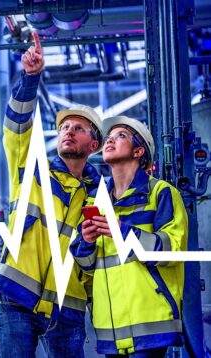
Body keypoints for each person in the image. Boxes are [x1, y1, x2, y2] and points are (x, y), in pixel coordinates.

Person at [0, 32, 104, 357]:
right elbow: (16, 128)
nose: (69, 132)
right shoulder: (32, 168)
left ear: (93, 146)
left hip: (68, 307)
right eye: (65, 127)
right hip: (17, 296)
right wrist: (30, 78)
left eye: (79, 129)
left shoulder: (97, 198)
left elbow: (97, 259)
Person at [70, 116, 188, 357]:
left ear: (138, 151)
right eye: (109, 138)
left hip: (150, 323)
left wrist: (122, 231)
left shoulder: (161, 193)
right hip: (109, 328)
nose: (110, 140)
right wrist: (86, 243)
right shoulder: (96, 203)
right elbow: (88, 269)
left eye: (121, 135)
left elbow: (172, 249)